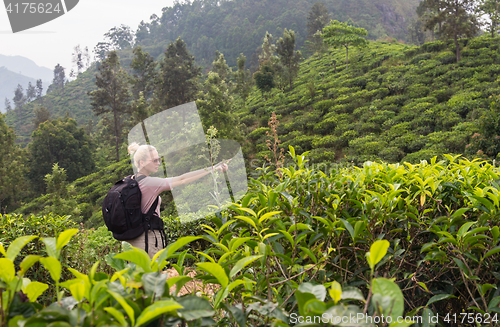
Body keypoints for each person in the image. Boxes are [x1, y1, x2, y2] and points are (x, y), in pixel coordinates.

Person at [126, 142, 229, 258]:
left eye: (159, 159)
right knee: (152, 275)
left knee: (136, 275)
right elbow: (182, 179)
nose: (158, 163)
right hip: (147, 240)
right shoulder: (149, 183)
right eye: (154, 160)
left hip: (132, 240)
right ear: (141, 163)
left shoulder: (130, 180)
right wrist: (213, 169)